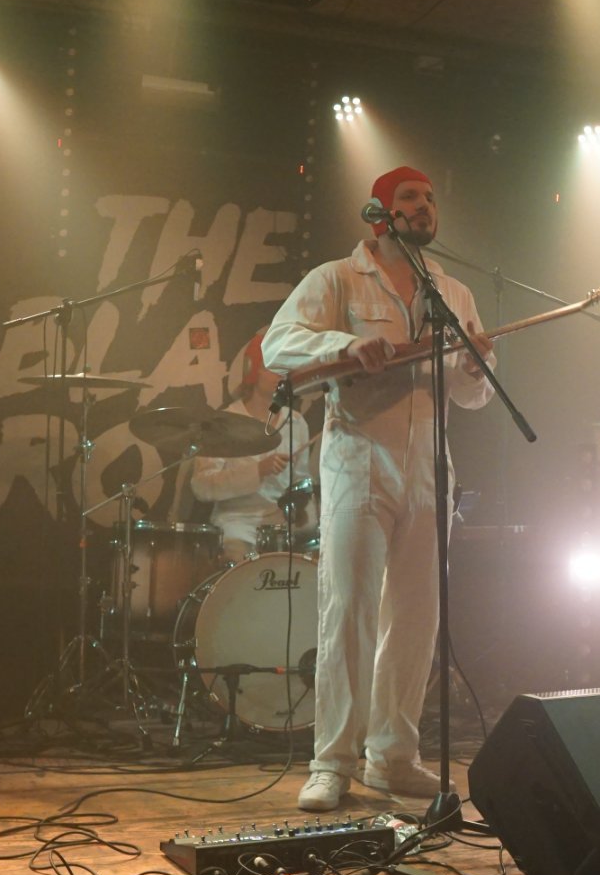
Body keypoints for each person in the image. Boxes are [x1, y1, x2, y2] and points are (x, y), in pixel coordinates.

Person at [263, 165, 495, 812]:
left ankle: (392, 756)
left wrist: (476, 363)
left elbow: (472, 396)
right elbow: (279, 343)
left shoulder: (452, 291)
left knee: (416, 615)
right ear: (380, 212)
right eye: (410, 197)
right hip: (357, 460)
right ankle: (332, 760)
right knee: (350, 609)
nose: (424, 207)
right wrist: (347, 344)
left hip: (429, 468)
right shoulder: (337, 278)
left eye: (430, 198)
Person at [189, 331, 312, 564]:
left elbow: (301, 484)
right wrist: (258, 470)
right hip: (235, 523)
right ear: (252, 371)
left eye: (284, 368)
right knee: (239, 559)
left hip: (281, 527)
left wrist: (303, 511)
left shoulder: (296, 423)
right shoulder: (224, 423)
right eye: (272, 367)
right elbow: (202, 486)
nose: (280, 375)